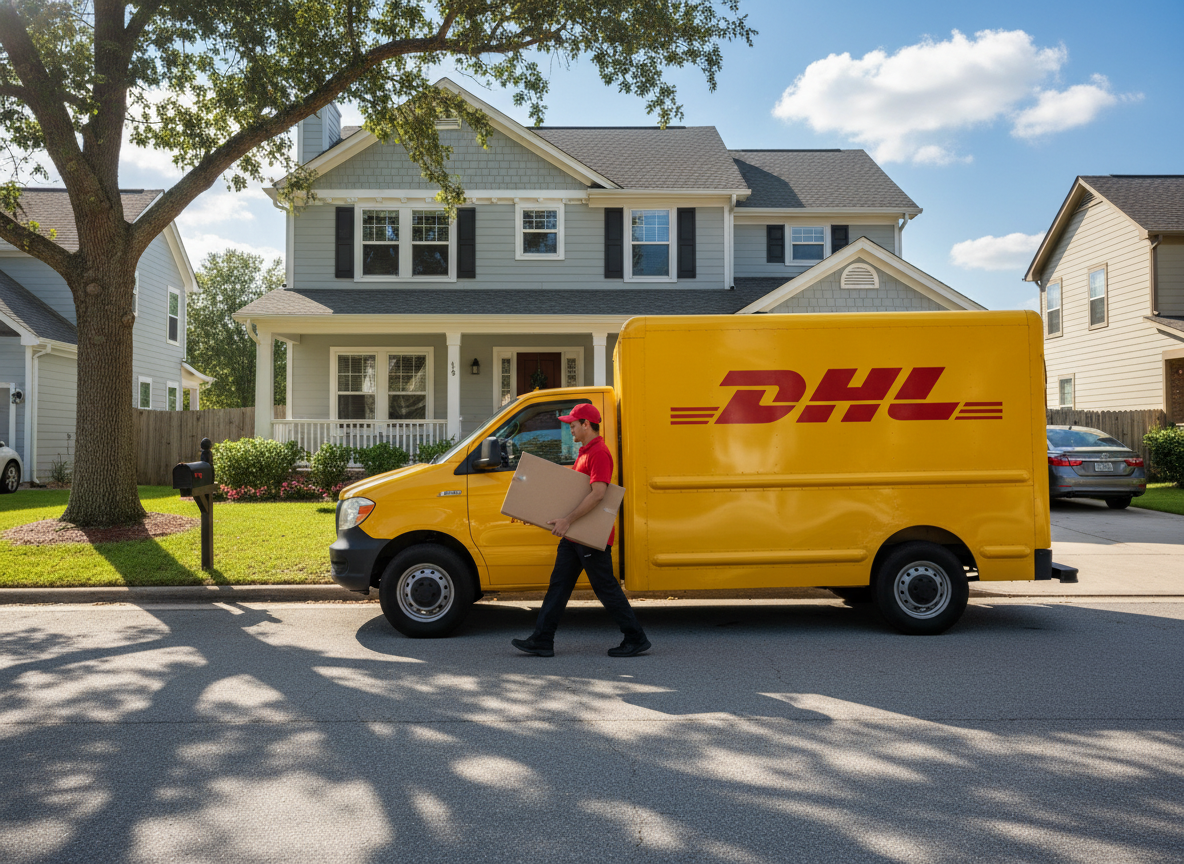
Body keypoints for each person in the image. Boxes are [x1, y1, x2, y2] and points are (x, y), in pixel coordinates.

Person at [511, 403, 651, 658]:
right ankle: (542, 640)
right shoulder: (584, 452)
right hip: (574, 534)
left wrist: (567, 521)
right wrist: (534, 514)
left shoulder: (599, 453)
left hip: (589, 536)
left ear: (587, 424)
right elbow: (572, 496)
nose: (570, 429)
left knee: (605, 587)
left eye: (573, 424)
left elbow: (598, 494)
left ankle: (636, 638)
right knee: (559, 585)